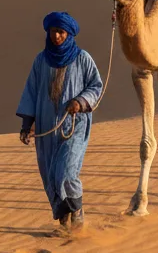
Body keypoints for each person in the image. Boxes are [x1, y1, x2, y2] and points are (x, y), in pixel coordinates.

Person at [17, 12, 102, 232]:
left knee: (66, 171)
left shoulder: (83, 58)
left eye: (61, 32)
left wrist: (80, 101)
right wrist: (27, 125)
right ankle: (65, 220)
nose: (56, 36)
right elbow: (31, 92)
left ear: (69, 34)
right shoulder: (41, 60)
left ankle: (78, 213)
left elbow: (96, 86)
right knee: (50, 175)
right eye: (53, 31)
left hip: (74, 125)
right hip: (47, 126)